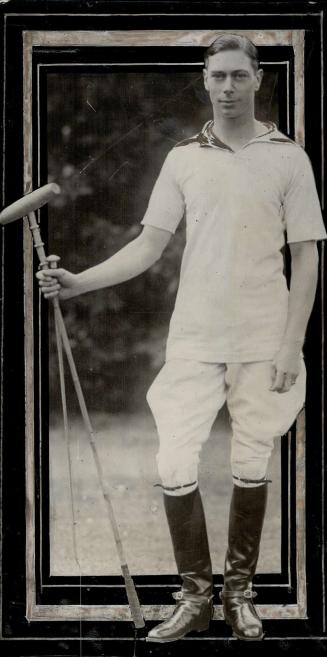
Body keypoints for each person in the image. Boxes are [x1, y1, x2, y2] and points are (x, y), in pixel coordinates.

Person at [37, 34, 326, 643]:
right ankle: (195, 598)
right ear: (203, 81)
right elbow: (149, 245)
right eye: (216, 77)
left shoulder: (288, 158)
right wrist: (79, 282)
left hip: (264, 338)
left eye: (237, 76)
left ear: (257, 78)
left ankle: (240, 597)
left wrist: (291, 343)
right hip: (194, 337)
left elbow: (306, 260)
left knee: (252, 459)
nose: (226, 88)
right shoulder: (183, 158)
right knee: (173, 459)